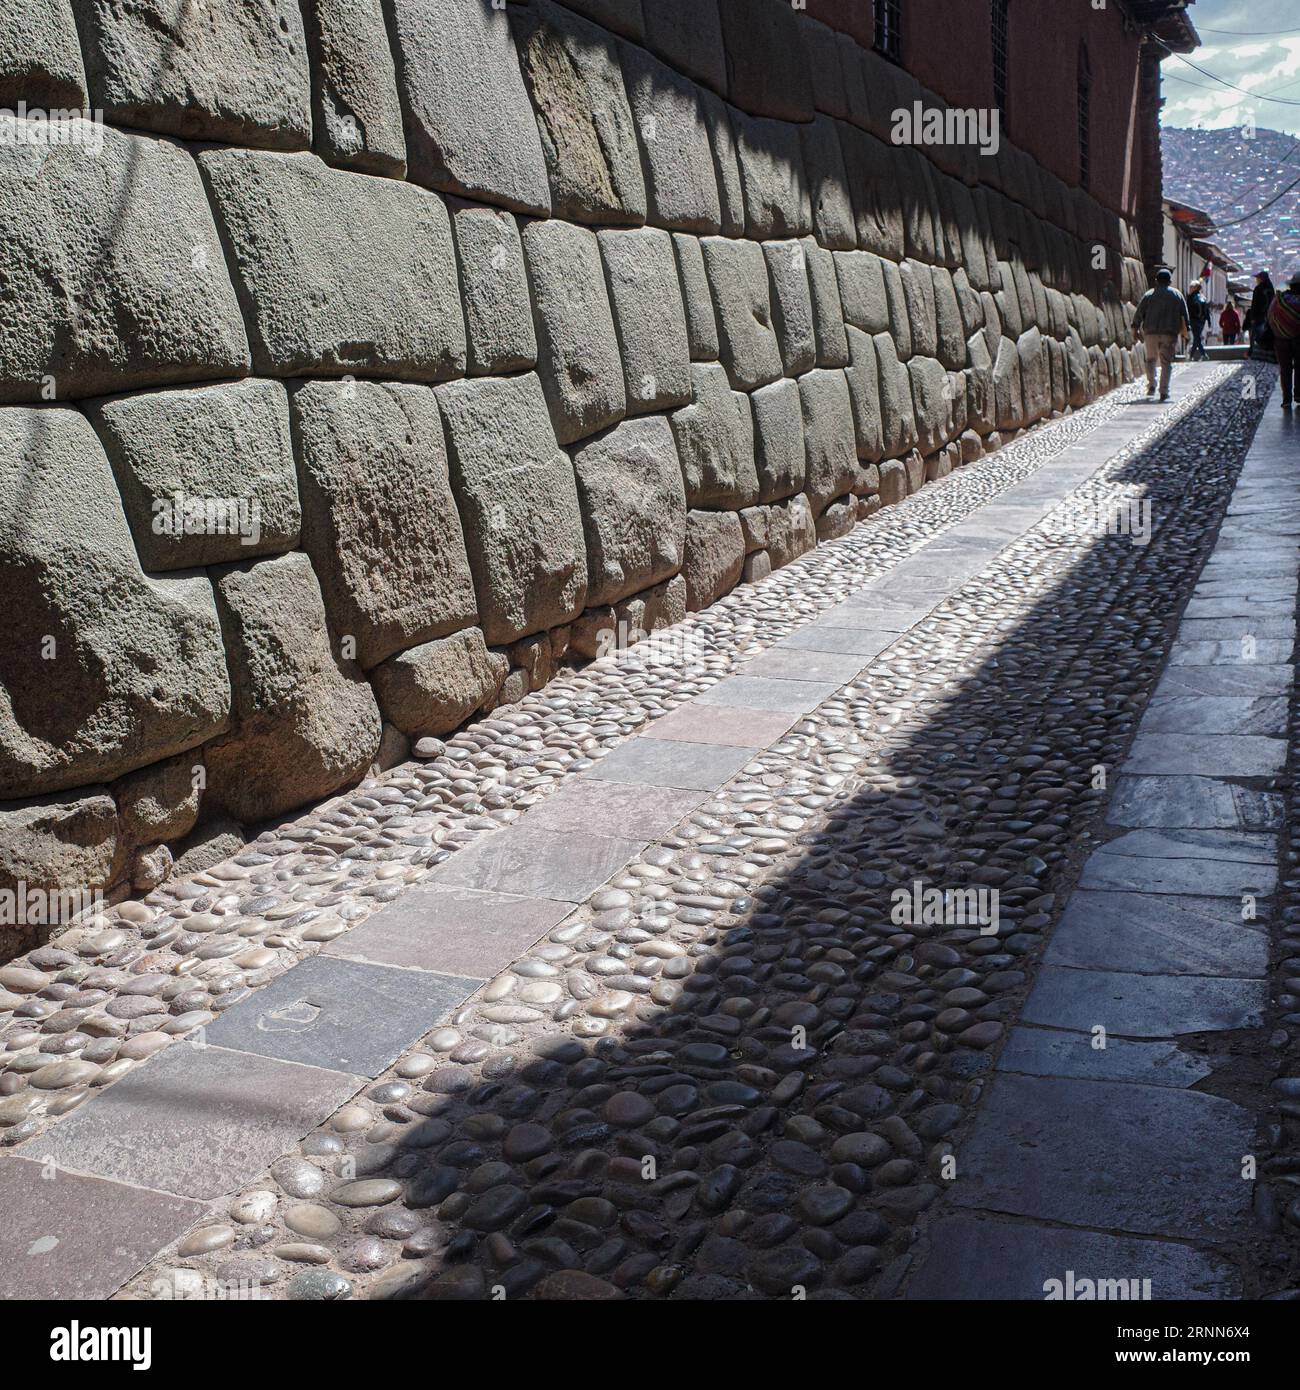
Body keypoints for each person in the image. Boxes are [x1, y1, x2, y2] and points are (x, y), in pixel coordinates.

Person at [1132, 268, 1190, 401]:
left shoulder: (1149, 295)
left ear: (1156, 281)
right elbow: (1185, 315)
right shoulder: (1177, 295)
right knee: (1166, 362)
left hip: (1151, 332)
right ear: (1170, 281)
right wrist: (1187, 332)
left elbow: (1139, 313)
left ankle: (1152, 385)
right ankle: (1164, 391)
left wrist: (1135, 327)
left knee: (1151, 359)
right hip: (1169, 333)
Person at [1266, 272, 1300, 408]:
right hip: (1298, 340)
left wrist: (1280, 329)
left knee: (1285, 369)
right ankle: (1298, 394)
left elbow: (1270, 316)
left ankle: (1286, 399)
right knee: (1299, 367)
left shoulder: (1279, 299)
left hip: (1280, 340)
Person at [1246, 270, 1275, 356]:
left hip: (1259, 317)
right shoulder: (1270, 288)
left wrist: (1252, 318)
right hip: (1269, 316)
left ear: (1261, 279)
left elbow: (1255, 304)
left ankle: (1253, 352)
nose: (1256, 280)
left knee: (1256, 335)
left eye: (1257, 278)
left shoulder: (1258, 289)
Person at [1187, 282, 1210, 360]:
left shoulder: (1191, 297)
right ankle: (1191, 356)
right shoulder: (1203, 297)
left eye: (1191, 287)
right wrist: (1208, 321)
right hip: (1202, 321)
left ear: (1194, 288)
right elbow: (1207, 311)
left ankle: (1203, 354)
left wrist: (1187, 321)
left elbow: (1188, 310)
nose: (1189, 288)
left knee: (1197, 337)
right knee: (1197, 337)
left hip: (1194, 320)